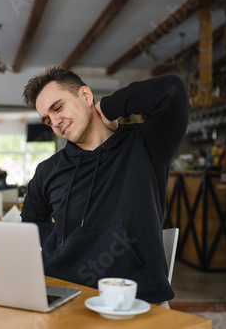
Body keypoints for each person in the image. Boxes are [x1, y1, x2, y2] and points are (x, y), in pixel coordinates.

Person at [20, 66, 189, 305]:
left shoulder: (146, 144)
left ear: (86, 96)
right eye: (47, 120)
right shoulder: (48, 170)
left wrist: (110, 107)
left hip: (134, 297)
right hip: (64, 293)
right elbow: (32, 219)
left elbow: (172, 90)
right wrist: (61, 243)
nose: (55, 123)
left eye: (58, 108)